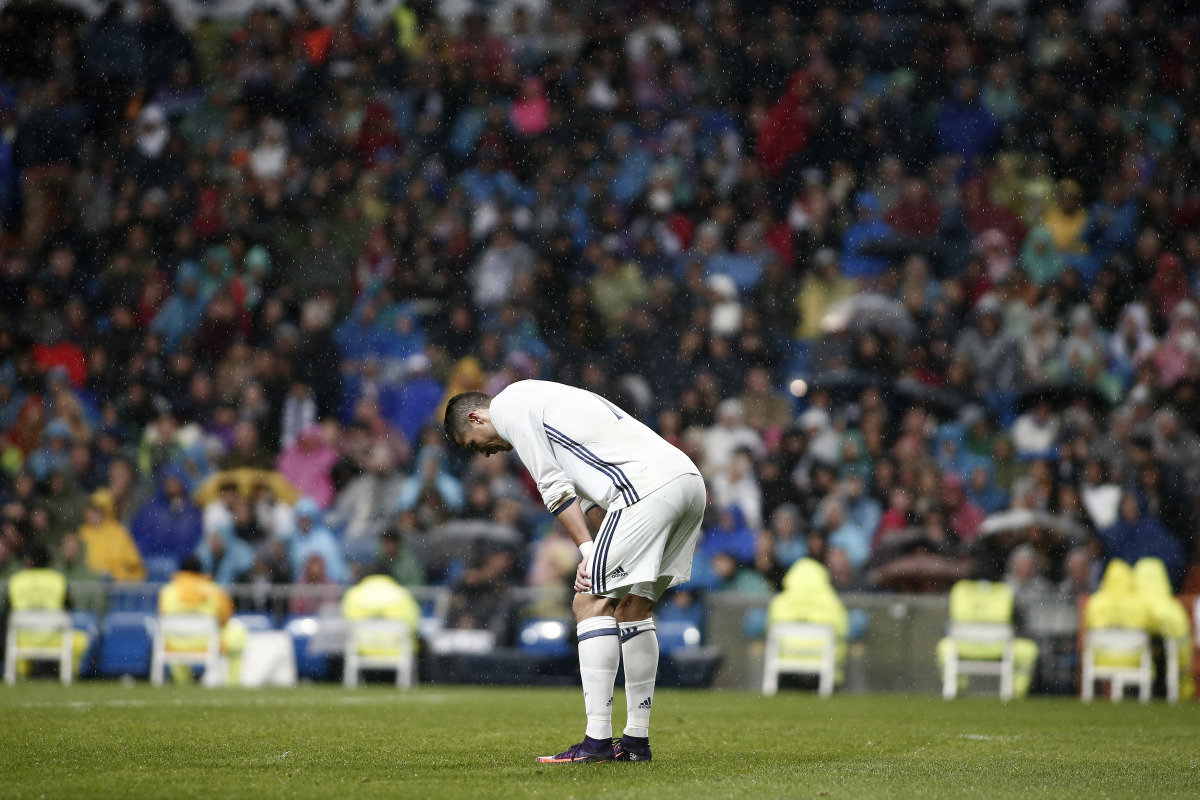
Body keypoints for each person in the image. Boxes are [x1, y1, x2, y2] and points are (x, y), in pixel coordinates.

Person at [444, 382, 706, 764]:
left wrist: (587, 551)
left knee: (589, 603)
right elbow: (593, 501)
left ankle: (596, 742)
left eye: (474, 444)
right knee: (634, 607)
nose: (485, 454)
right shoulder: (549, 402)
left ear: (476, 417)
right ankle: (635, 741)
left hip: (645, 488)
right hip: (687, 481)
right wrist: (599, 549)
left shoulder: (508, 407)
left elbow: (552, 486)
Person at [7, 543, 90, 679]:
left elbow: (8, 611)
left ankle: (24, 673)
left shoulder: (16, 580)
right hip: (53, 639)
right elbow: (68, 608)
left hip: (23, 639)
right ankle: (68, 673)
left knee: (10, 636)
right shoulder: (58, 580)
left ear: (29, 561)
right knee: (82, 640)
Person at [157, 555, 234, 684]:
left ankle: (182, 685)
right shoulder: (214, 591)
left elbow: (162, 615)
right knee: (238, 635)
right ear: (201, 570)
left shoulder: (167, 591)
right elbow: (225, 618)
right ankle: (232, 684)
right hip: (206, 642)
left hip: (175, 644)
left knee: (173, 636)